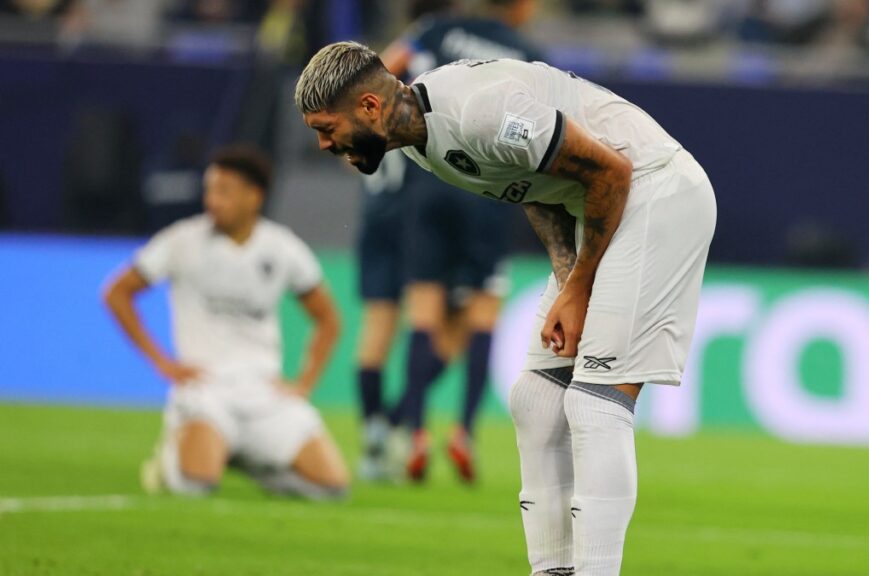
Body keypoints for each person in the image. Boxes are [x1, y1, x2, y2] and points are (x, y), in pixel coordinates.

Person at [295, 43, 716, 575]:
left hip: (657, 191)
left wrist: (579, 288)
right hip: (607, 209)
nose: (322, 142)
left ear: (371, 109)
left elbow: (609, 170)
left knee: (595, 403)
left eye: (326, 127)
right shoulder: (421, 142)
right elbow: (535, 188)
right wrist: (569, 281)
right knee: (536, 399)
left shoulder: (479, 113)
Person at [355, 0, 542, 484]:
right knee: (480, 313)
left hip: (428, 184)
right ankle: (463, 433)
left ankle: (413, 434)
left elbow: (379, 75)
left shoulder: (438, 29)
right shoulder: (526, 52)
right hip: (486, 190)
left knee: (423, 311)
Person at [103, 145, 350, 500]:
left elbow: (328, 319)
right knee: (195, 487)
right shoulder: (182, 240)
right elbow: (117, 292)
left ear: (254, 196)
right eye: (210, 190)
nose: (212, 201)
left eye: (224, 191)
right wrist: (161, 362)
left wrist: (304, 383)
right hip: (206, 389)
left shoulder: (282, 248)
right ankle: (173, 459)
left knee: (332, 489)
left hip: (264, 392)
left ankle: (251, 460)